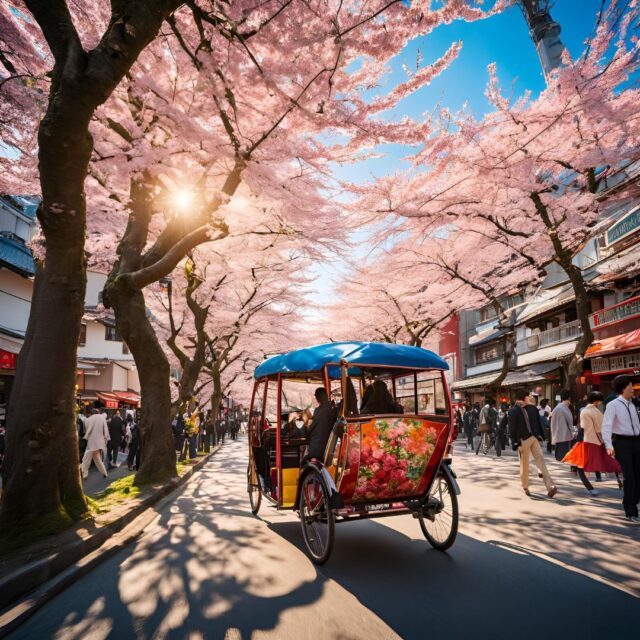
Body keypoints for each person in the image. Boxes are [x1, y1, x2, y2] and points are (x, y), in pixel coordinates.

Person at [562, 391, 621, 496]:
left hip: (585, 440)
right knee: (608, 461)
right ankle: (621, 482)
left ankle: (590, 487)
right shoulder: (596, 412)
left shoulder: (584, 411)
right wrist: (606, 442)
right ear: (597, 402)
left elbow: (583, 426)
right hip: (596, 441)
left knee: (581, 465)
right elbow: (599, 429)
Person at [602, 374, 640, 524]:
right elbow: (606, 426)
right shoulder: (613, 405)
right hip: (622, 443)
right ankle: (631, 511)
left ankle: (632, 501)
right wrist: (609, 446)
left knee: (638, 476)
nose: (633, 389)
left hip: (637, 441)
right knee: (629, 477)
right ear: (623, 388)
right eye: (631, 386)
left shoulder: (633, 404)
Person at [508, 389, 557, 498]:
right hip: (531, 438)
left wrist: (514, 442)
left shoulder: (514, 411)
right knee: (540, 461)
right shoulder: (530, 409)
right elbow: (538, 423)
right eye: (528, 397)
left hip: (525, 440)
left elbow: (512, 429)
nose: (529, 399)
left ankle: (526, 487)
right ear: (525, 398)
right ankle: (550, 486)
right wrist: (540, 436)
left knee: (525, 464)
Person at [307, 387, 337, 461]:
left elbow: (311, 428)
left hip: (317, 449)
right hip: (330, 447)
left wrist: (307, 429)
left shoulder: (318, 411)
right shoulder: (333, 408)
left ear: (318, 398)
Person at [81, 408, 110, 479]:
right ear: (98, 412)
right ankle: (104, 473)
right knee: (98, 459)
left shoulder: (88, 419)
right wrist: (107, 438)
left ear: (92, 413)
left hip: (91, 442)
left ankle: (84, 474)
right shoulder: (102, 418)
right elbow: (105, 430)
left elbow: (86, 430)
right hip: (99, 442)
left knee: (86, 459)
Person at [550, 390, 574, 462]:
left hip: (557, 433)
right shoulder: (564, 409)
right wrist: (572, 432)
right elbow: (570, 422)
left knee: (559, 453)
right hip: (565, 434)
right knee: (564, 455)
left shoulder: (557, 408)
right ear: (569, 398)